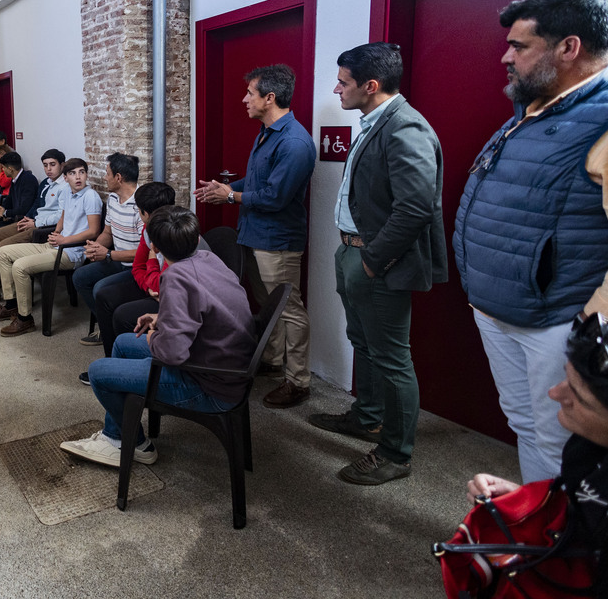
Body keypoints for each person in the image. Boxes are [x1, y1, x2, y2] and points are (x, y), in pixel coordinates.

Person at [454, 0, 608, 485]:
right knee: (525, 424)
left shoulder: (601, 118)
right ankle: (535, 531)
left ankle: (553, 549)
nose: (505, 57)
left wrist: (588, 325)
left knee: (558, 438)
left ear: (569, 48)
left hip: (555, 318)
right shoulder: (536, 108)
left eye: (519, 46)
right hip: (501, 307)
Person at [309, 42, 446, 486]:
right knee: (363, 342)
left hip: (378, 260)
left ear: (371, 85)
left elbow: (415, 208)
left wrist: (371, 260)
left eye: (343, 82)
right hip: (353, 250)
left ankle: (395, 454)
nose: (337, 89)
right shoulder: (373, 122)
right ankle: (366, 417)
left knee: (392, 358)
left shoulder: (406, 128)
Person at [59, 206, 254, 467]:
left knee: (98, 371)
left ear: (157, 250)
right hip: (226, 366)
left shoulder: (174, 277)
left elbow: (172, 353)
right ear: (197, 239)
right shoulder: (209, 259)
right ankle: (121, 438)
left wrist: (154, 336)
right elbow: (208, 308)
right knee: (122, 342)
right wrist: (163, 318)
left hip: (208, 385)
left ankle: (128, 442)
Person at [459, 314, 608, 597]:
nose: (554, 393)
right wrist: (525, 503)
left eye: (579, 396)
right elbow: (580, 518)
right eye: (567, 379)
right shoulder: (584, 447)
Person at [195, 64, 316, 410]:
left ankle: (298, 382)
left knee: (289, 310)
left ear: (270, 97)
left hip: (277, 242)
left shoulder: (294, 142)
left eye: (250, 93)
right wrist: (228, 187)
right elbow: (257, 182)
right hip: (255, 235)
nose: (244, 99)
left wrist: (229, 198)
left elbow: (275, 197)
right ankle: (273, 359)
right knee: (266, 304)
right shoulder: (267, 132)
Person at [75, 181, 177, 386]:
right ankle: (112, 362)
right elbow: (139, 268)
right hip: (152, 285)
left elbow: (163, 283)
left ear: (145, 214)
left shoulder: (174, 234)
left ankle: (131, 370)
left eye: (139, 211)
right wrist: (148, 285)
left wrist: (152, 282)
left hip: (172, 298)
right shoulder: (148, 231)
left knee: (122, 314)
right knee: (104, 296)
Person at [0, 158, 103, 336]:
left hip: (72, 253)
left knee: (20, 266)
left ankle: (24, 319)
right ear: (65, 178)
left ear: (87, 175)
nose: (78, 177)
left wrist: (65, 240)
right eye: (72, 173)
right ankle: (11, 305)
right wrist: (56, 233)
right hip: (55, 245)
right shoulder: (67, 193)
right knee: (4, 252)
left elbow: (94, 231)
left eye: (82, 172)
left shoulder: (91, 197)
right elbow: (63, 218)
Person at [0, 148, 68, 305]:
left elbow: (60, 215)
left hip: (42, 228)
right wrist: (29, 217)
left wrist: (34, 222)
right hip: (31, 221)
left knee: (2, 246)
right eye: (45, 165)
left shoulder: (65, 187)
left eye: (52, 165)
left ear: (63, 165)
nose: (48, 169)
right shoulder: (46, 183)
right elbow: (36, 204)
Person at [72, 153, 142, 347]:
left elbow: (145, 252)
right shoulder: (113, 198)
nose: (105, 178)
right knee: (80, 277)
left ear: (118, 178)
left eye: (107, 173)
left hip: (137, 267)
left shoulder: (141, 205)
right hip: (117, 260)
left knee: (100, 289)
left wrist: (108, 254)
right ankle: (108, 326)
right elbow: (108, 232)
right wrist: (97, 246)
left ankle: (114, 331)